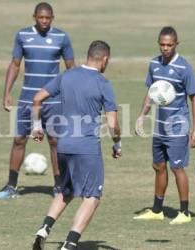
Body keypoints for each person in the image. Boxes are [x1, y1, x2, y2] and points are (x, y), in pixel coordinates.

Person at [31, 40, 122, 250]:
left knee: (66, 191)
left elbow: (37, 99)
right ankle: (69, 244)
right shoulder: (102, 83)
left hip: (63, 146)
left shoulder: (66, 76)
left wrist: (37, 127)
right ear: (105, 59)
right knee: (92, 197)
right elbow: (112, 124)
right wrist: (117, 144)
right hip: (86, 148)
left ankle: (44, 229)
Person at [0, 2, 75, 199]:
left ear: (52, 18)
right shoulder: (22, 36)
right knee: (19, 140)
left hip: (53, 100)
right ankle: (11, 186)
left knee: (55, 141)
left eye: (48, 18)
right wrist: (7, 92)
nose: (44, 21)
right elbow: (15, 65)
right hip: (27, 100)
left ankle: (59, 187)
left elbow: (71, 68)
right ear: (34, 17)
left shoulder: (61, 37)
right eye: (41, 17)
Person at [134, 26, 195, 224]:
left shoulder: (184, 67)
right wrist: (141, 116)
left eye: (169, 45)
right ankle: (157, 210)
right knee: (159, 166)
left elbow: (194, 98)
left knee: (177, 168)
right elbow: (151, 92)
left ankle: (185, 212)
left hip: (178, 126)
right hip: (160, 126)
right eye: (162, 44)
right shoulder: (154, 64)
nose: (165, 48)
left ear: (176, 44)